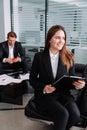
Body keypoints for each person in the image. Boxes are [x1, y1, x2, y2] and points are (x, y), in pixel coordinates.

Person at [29, 25, 85, 130]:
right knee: (63, 114)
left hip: (63, 94)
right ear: (49, 39)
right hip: (46, 96)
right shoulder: (39, 57)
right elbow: (32, 80)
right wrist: (44, 88)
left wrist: (78, 85)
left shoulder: (69, 57)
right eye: (57, 37)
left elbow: (72, 79)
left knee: (75, 114)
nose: (61, 41)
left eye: (63, 38)